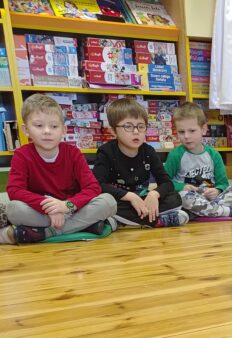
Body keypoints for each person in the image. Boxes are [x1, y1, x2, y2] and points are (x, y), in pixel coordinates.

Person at [0, 94, 116, 245]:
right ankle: (84, 225)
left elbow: (93, 187)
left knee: (109, 202)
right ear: (26, 130)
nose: (47, 131)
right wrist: (49, 207)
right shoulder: (22, 155)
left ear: (63, 130)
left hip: (72, 209)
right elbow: (15, 190)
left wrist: (67, 205)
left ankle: (45, 233)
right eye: (39, 125)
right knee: (14, 209)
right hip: (42, 212)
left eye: (54, 126)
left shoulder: (73, 153)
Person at [93, 98, 188, 228]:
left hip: (143, 199)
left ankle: (121, 221)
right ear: (113, 131)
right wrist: (130, 196)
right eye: (128, 126)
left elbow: (167, 183)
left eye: (141, 126)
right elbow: (98, 185)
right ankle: (158, 221)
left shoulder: (148, 151)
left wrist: (154, 194)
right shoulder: (106, 152)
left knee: (175, 198)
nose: (136, 132)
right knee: (102, 203)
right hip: (120, 200)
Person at [164, 102, 232, 219]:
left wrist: (217, 190)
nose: (186, 136)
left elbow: (223, 183)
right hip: (191, 198)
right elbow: (164, 183)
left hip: (212, 198)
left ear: (204, 129)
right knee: (183, 197)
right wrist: (182, 187)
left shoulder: (214, 155)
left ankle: (205, 211)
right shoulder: (175, 155)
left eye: (192, 131)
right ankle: (226, 211)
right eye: (181, 132)